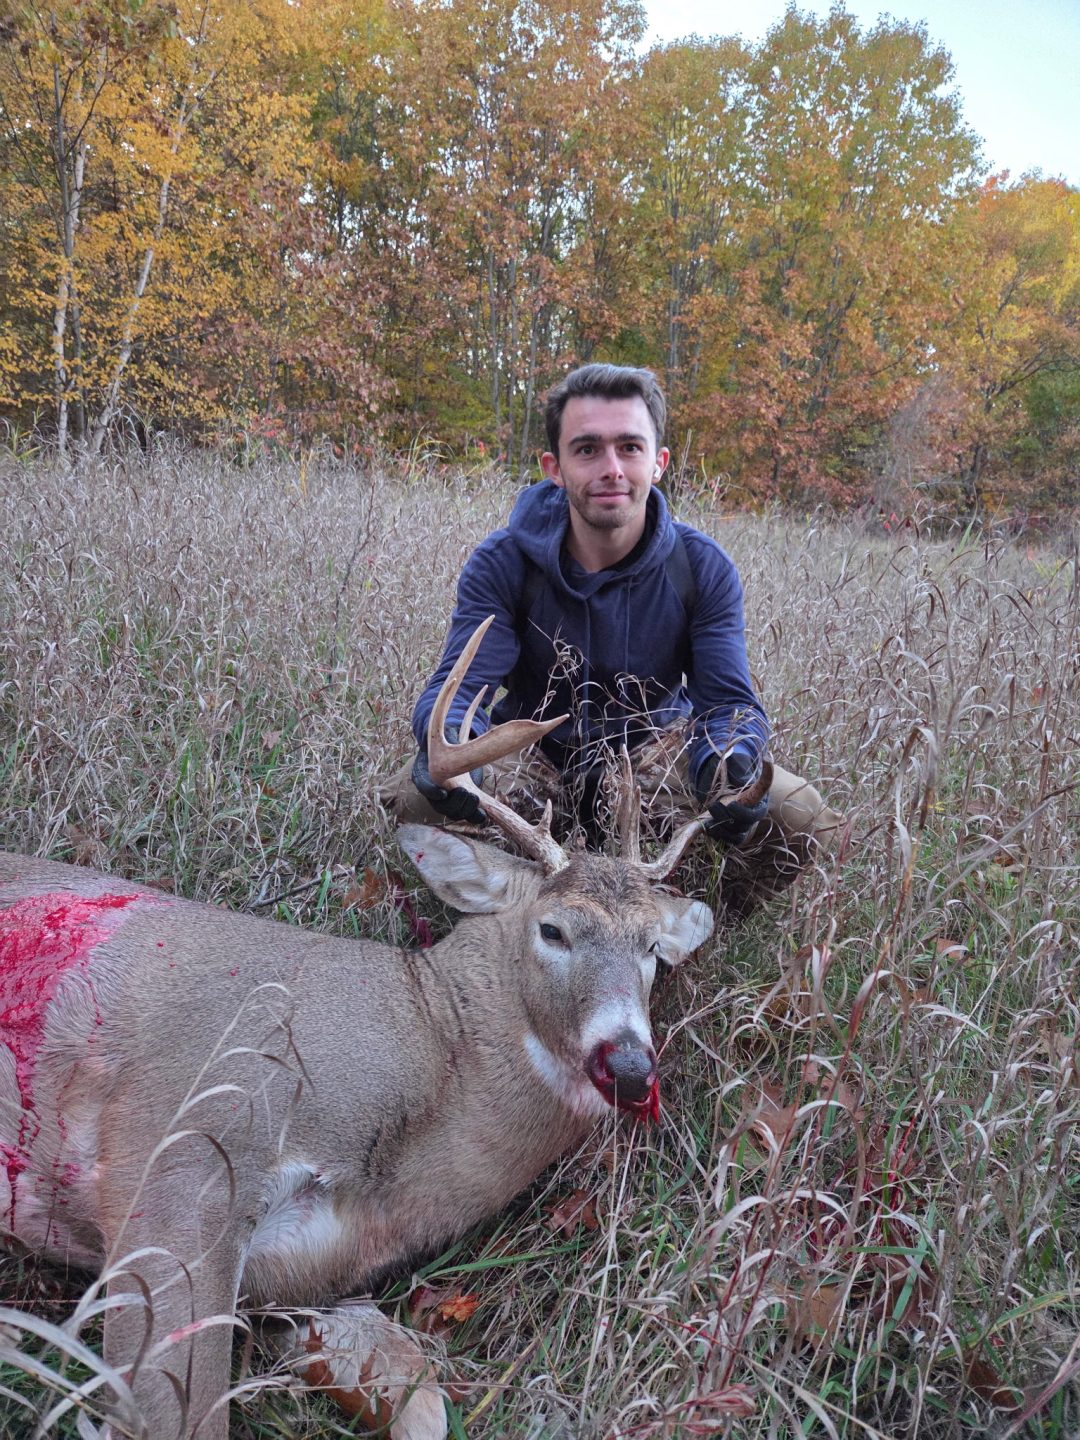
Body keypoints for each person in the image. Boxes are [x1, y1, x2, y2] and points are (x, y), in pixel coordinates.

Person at [382, 363, 842, 915]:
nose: (612, 469)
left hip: (651, 761)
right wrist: (460, 755)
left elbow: (730, 704)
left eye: (629, 447)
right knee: (417, 798)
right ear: (554, 467)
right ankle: (497, 931)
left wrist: (725, 765)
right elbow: (458, 686)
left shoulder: (701, 568)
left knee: (797, 812)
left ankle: (693, 924)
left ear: (658, 462)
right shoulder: (503, 564)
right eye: (587, 449)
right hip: (534, 757)